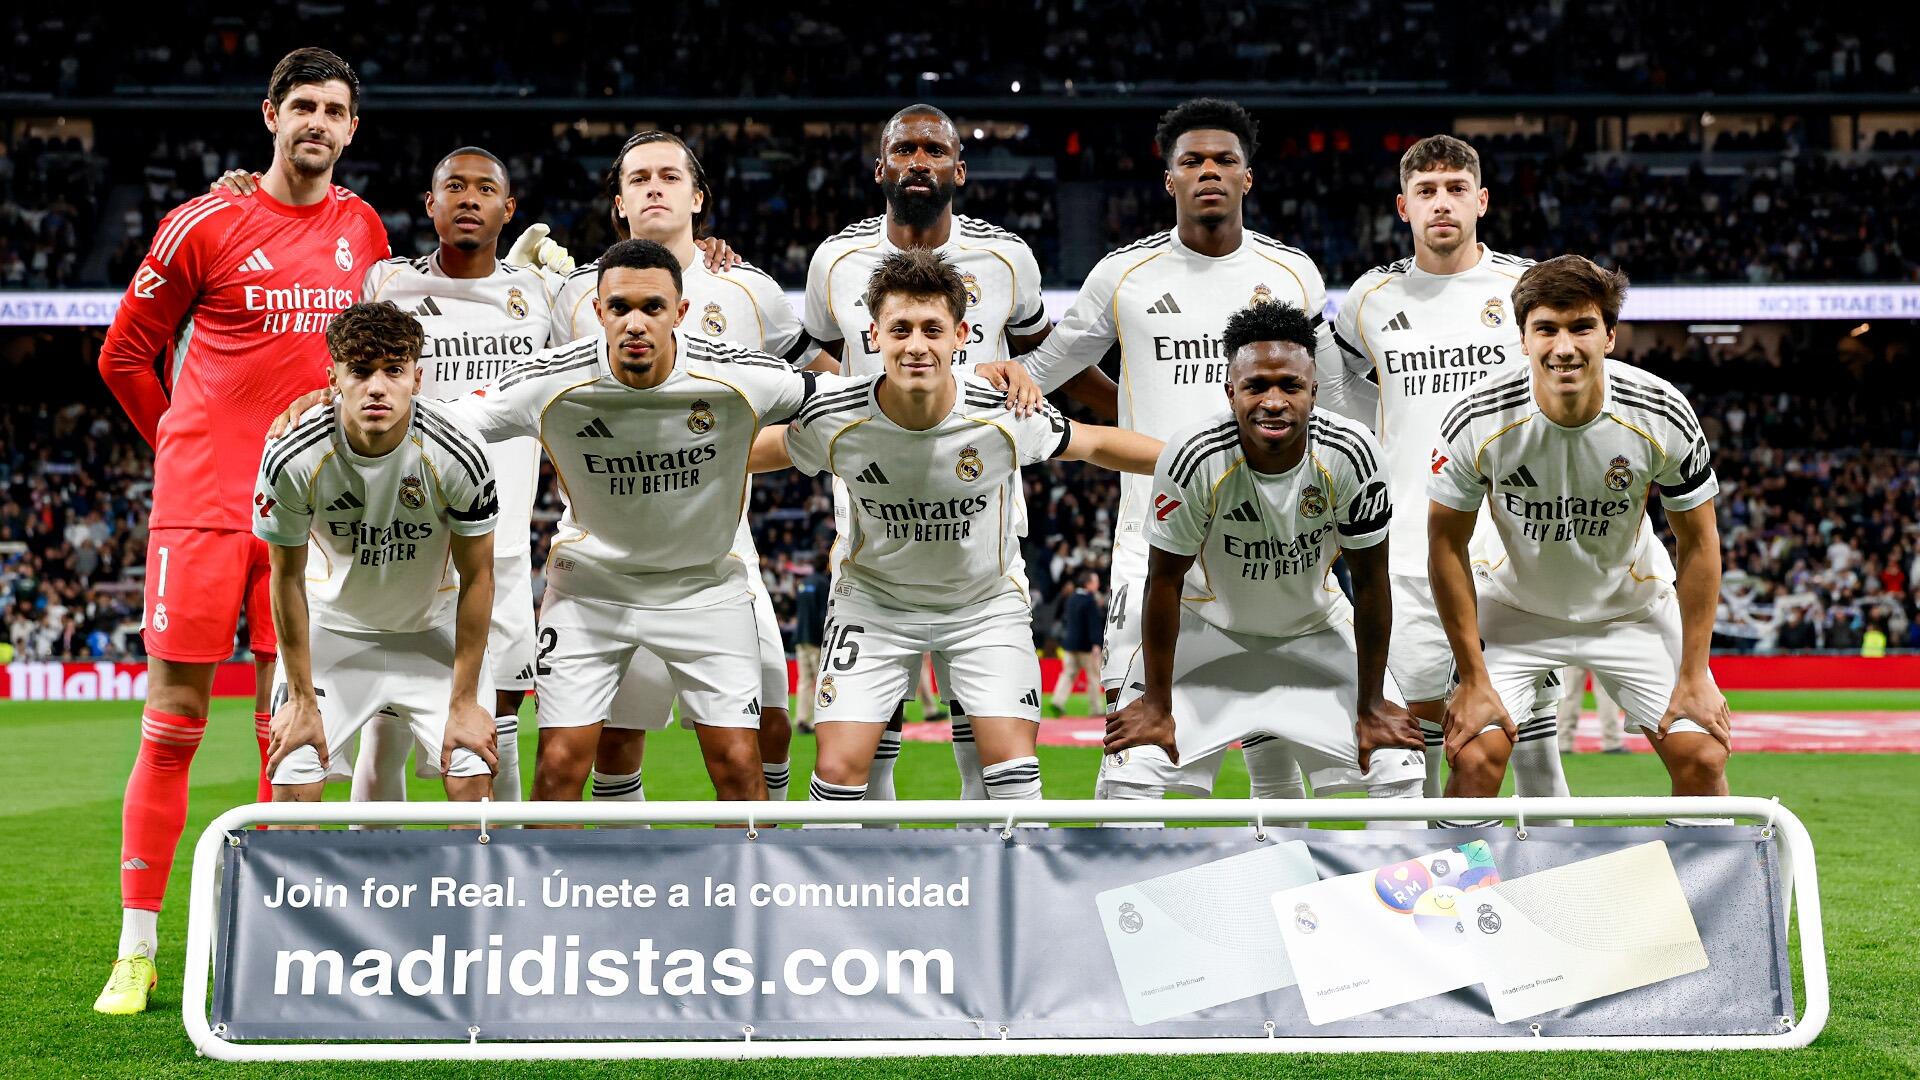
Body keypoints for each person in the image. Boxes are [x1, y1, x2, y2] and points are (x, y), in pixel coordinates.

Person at [93, 47, 389, 1015]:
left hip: (311, 516)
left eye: (335, 110)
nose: (318, 122)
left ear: (352, 128)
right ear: (270, 115)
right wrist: (180, 444)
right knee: (173, 721)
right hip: (206, 511)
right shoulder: (203, 222)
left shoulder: (364, 231)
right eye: (302, 104)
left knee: (291, 730)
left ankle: (271, 946)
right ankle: (137, 948)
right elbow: (124, 354)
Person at [1020, 97, 1364, 803]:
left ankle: (1282, 903)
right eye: (1192, 161)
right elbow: (1041, 373)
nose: (1209, 170)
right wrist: (1001, 376)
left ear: (1248, 177)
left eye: (1224, 160)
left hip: (1280, 545)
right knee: (1136, 766)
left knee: (1291, 751)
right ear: (1169, 177)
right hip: (1157, 547)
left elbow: (1331, 404)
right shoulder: (1124, 275)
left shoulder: (1292, 272)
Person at [755, 249, 1161, 805]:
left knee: (1014, 781)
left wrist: (1202, 458)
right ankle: (864, 891)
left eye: (931, 329)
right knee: (837, 776)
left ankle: (994, 891)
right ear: (874, 336)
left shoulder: (1002, 411)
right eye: (900, 329)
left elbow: (1095, 442)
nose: (916, 344)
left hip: (983, 605)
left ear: (960, 335)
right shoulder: (835, 414)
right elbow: (757, 451)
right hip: (873, 604)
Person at [446, 238, 821, 806]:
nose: (636, 323)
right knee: (559, 768)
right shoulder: (551, 379)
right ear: (598, 312)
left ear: (681, 313)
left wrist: (965, 385)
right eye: (619, 307)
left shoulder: (736, 373)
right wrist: (333, 404)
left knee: (742, 771)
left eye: (653, 308)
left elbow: (842, 400)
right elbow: (446, 419)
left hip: (706, 590)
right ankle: (558, 893)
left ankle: (749, 894)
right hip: (590, 591)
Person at [802, 103, 1085, 802]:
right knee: (867, 750)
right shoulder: (834, 259)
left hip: (977, 515)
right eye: (905, 150)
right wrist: (836, 401)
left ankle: (976, 892)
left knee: (986, 751)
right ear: (881, 169)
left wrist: (1028, 377)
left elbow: (1034, 355)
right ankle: (880, 894)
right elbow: (806, 351)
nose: (918, 161)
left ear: (959, 168)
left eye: (934, 150)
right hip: (873, 514)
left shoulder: (1007, 255)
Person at [552, 131, 825, 808]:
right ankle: (634, 866)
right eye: (637, 177)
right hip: (607, 546)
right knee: (617, 734)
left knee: (769, 722)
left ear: (698, 197)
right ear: (618, 201)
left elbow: (823, 383)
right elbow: (547, 406)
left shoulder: (747, 290)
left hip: (719, 546)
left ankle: (764, 854)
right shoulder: (575, 296)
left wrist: (726, 454)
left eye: (670, 176)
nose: (654, 187)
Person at [1429, 256, 1731, 815]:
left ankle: (1704, 901)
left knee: (1703, 756)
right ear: (1523, 338)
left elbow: (1700, 542)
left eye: (1581, 327)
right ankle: (1456, 900)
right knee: (1473, 756)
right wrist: (1471, 678)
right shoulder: (1476, 417)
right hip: (1512, 610)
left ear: (1610, 336)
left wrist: (1695, 674)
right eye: (1546, 328)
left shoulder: (1660, 410)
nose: (1564, 347)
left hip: (1630, 610)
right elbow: (1444, 545)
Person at [1102, 302, 1425, 812]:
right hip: (1206, 636)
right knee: (1133, 772)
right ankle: (1135, 893)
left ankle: (1386, 894)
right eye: (1256, 386)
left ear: (1314, 392)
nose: (1273, 401)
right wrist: (1158, 706)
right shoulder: (1192, 456)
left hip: (1313, 633)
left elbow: (1370, 583)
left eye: (1290, 386)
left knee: (1395, 768)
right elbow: (1162, 583)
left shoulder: (1353, 453)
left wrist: (1371, 704)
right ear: (1231, 392)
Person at [1326, 134, 1566, 817]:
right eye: (1426, 191)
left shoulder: (1525, 288)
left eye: (1456, 189)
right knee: (1416, 744)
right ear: (1403, 206)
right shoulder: (1370, 298)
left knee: (1532, 746)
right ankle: (1433, 902)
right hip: (1406, 550)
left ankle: (1549, 899)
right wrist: (1390, 430)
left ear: (1481, 200)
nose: (1442, 203)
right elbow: (1339, 388)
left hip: (1514, 552)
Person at [336, 146, 558, 805]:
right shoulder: (386, 285)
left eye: (485, 188)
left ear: (507, 209)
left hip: (502, 550)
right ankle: (379, 891)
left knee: (499, 730)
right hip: (400, 544)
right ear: (429, 206)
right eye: (452, 187)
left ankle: (499, 883)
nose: (468, 198)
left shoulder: (541, 293)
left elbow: (642, 290)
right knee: (385, 734)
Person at [254, 301, 500, 810]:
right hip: (333, 636)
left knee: (472, 777)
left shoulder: (459, 451)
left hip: (432, 634)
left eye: (393, 370)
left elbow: (479, 577)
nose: (377, 387)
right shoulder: (291, 453)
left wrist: (464, 701)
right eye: (360, 371)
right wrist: (300, 699)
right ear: (333, 378)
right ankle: (313, 892)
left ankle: (470, 892)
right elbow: (285, 579)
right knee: (293, 781)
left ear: (418, 377)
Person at [1051, 569, 1104, 716]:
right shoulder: (1089, 600)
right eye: (1095, 581)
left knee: (1068, 674)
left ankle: (1058, 700)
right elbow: (1093, 624)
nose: (1097, 584)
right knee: (1093, 677)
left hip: (1069, 644)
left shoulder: (1072, 597)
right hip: (1086, 646)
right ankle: (1096, 709)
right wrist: (1096, 644)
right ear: (1088, 584)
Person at [792, 552, 831, 734]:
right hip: (816, 639)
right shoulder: (823, 584)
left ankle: (801, 718)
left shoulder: (803, 584)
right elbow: (824, 613)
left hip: (801, 637)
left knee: (804, 681)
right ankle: (821, 720)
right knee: (822, 680)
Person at [1555, 666, 1626, 754]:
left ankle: (1563, 742)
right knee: (1606, 693)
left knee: (1570, 693)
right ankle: (1612, 742)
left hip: (1574, 653)